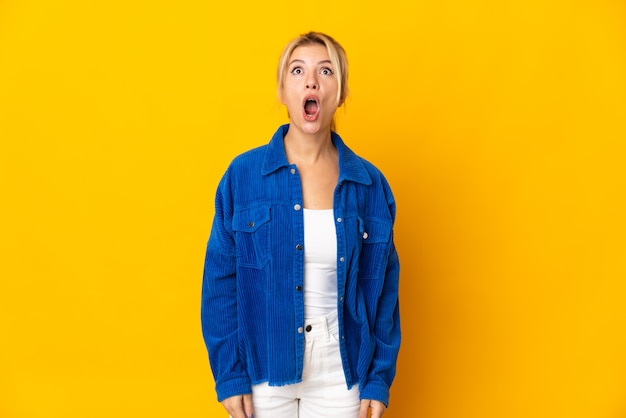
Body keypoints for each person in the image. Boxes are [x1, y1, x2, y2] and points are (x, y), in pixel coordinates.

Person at [201, 31, 401, 418]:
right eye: (298, 71)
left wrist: (378, 378)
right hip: (263, 367)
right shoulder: (242, 176)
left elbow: (384, 293)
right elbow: (219, 283)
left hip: (341, 372)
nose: (311, 80)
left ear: (340, 94)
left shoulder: (369, 185)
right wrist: (229, 375)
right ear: (282, 91)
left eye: (325, 71)